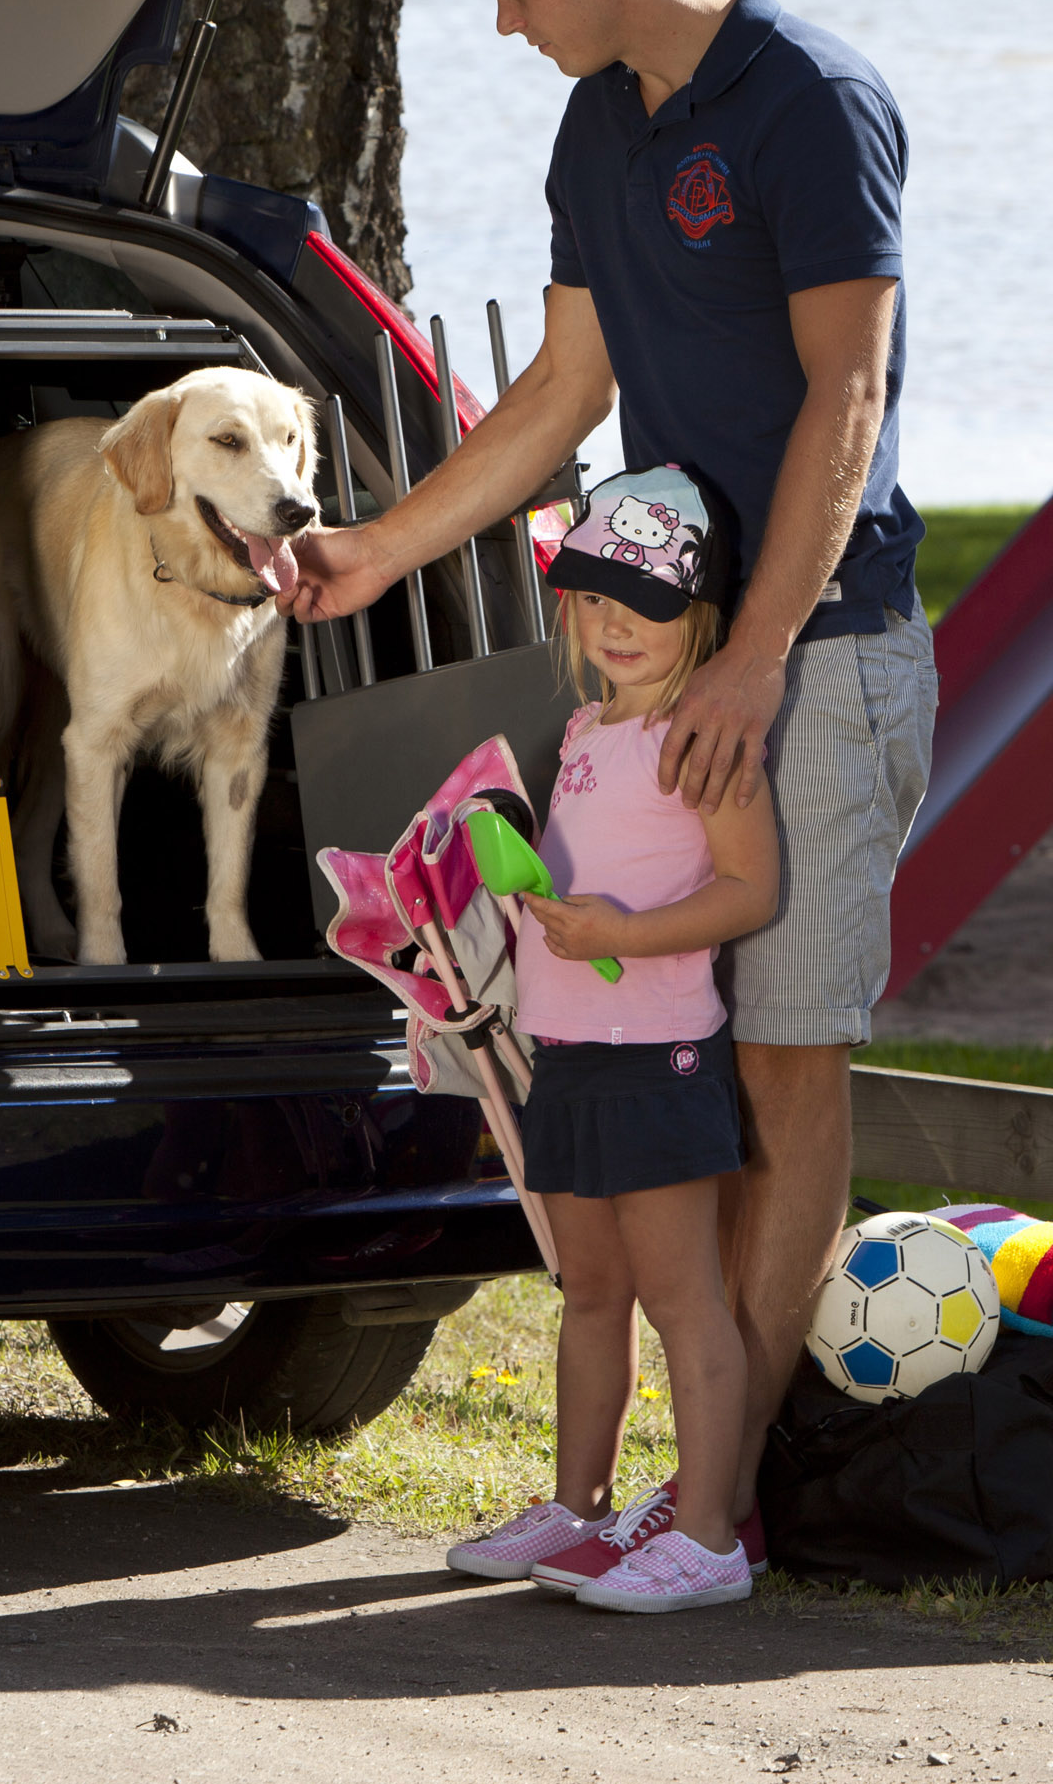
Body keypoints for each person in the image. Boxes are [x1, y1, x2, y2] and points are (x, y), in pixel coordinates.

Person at [288, 0, 936, 1565]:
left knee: (788, 1069)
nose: (502, 22)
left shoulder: (813, 100)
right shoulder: (598, 119)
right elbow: (563, 390)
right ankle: (673, 1486)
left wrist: (750, 654)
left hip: (817, 645)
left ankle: (726, 1502)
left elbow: (846, 401)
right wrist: (382, 547)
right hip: (675, 668)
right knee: (683, 1073)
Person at [443, 471, 779, 1611]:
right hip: (571, 1051)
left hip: (659, 1054)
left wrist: (629, 932)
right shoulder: (586, 729)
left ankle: (707, 1536)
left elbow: (750, 889)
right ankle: (579, 1509)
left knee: (684, 1298)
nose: (617, 622)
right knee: (588, 1288)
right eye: (594, 598)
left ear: (703, 618)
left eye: (646, 600)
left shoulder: (700, 734)